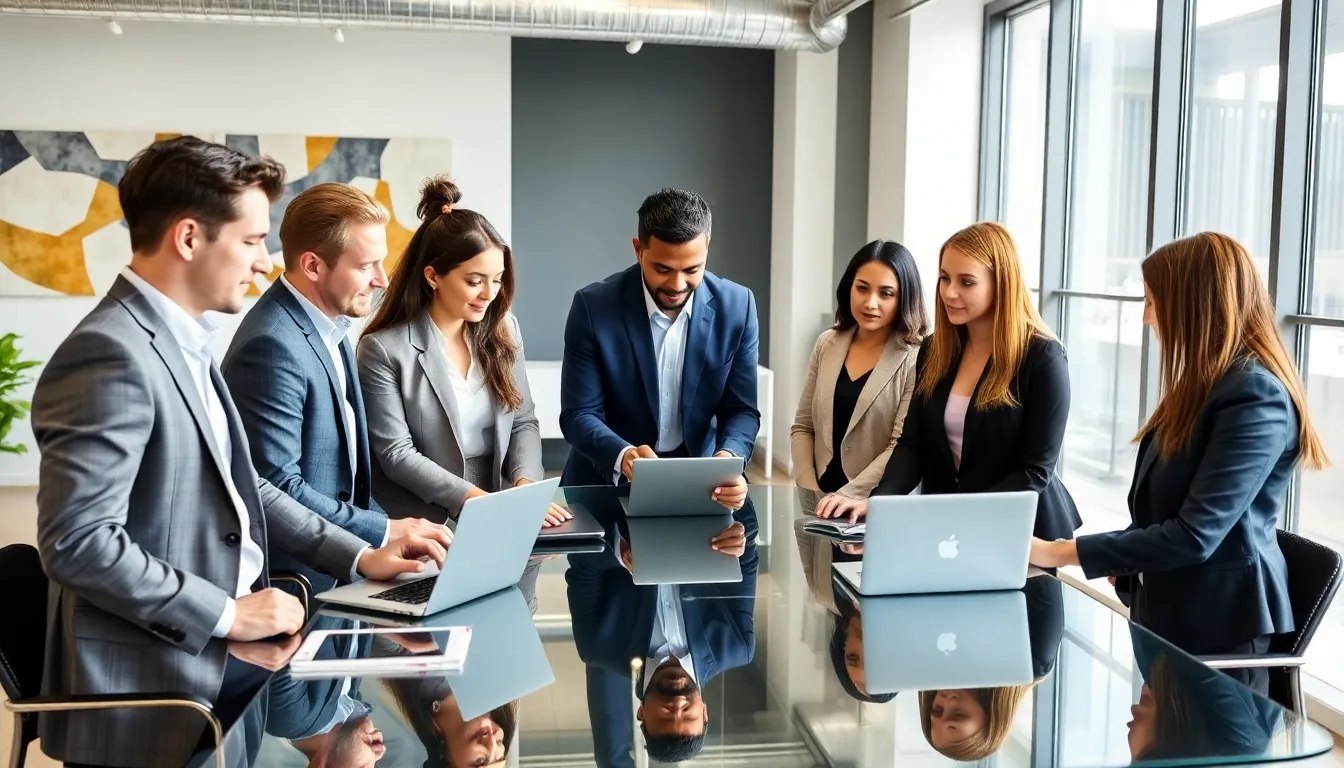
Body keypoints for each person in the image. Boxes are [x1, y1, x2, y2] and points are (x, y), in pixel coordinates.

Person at [30, 136, 451, 768]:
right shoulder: (110, 353)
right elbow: (79, 544)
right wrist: (228, 615)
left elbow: (248, 487)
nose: (262, 262)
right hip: (158, 697)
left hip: (228, 665)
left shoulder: (184, 342)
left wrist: (360, 554)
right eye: (252, 240)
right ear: (189, 238)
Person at [1029, 232, 1327, 680]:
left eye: (1152, 302)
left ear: (1194, 304)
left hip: (1219, 631)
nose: (1147, 318)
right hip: (1170, 616)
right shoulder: (1204, 385)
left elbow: (1194, 535)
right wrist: (1126, 559)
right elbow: (1164, 511)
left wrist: (1057, 551)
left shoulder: (1255, 396)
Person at [223, 182, 443, 596]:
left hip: (345, 571)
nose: (382, 279)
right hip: (299, 587)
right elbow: (276, 487)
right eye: (366, 265)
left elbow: (347, 481)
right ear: (313, 266)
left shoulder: (333, 325)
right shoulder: (270, 345)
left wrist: (389, 534)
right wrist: (384, 529)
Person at [357, 176, 566, 611]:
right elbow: (395, 454)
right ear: (433, 276)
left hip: (501, 518)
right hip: (423, 527)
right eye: (474, 281)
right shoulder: (383, 349)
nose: (489, 294)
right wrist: (482, 503)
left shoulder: (504, 330)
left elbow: (524, 420)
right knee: (432, 641)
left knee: (506, 629)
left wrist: (524, 489)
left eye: (497, 279)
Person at [815, 222, 1082, 543]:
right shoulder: (935, 349)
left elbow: (1035, 471)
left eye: (966, 282)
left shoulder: (1043, 357)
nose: (949, 292)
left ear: (1002, 284)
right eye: (944, 278)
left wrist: (959, 517)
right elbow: (913, 445)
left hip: (1021, 534)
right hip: (947, 534)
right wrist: (881, 502)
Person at [558, 188, 758, 511]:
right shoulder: (593, 307)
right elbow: (578, 414)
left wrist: (728, 458)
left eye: (692, 270)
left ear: (707, 246)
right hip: (602, 488)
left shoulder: (739, 307)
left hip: (700, 488)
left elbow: (742, 410)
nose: (677, 285)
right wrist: (624, 455)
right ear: (638, 250)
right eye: (663, 269)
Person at [567, 493, 759, 766]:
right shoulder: (736, 645)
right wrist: (740, 536)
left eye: (666, 716)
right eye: (688, 714)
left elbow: (581, 561)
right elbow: (748, 552)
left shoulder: (597, 646)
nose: (677, 705)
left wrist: (620, 550)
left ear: (642, 714)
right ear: (705, 712)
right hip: (699, 489)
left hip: (613, 484)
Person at [792, 240, 928, 499]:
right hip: (818, 500)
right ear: (849, 288)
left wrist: (847, 497)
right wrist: (810, 490)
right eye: (862, 288)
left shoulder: (917, 357)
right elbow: (803, 427)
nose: (870, 303)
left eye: (886, 293)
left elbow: (900, 445)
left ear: (904, 298)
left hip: (876, 503)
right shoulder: (827, 343)